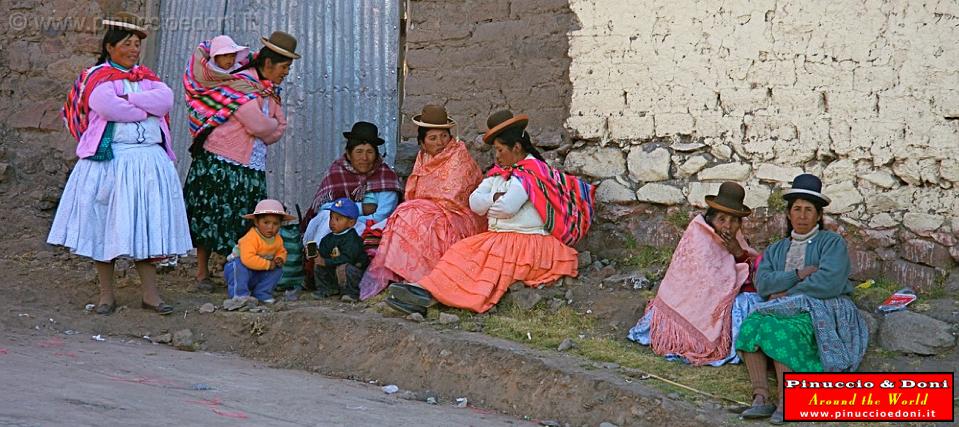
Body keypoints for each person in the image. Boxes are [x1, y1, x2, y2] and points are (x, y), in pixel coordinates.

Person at [48, 12, 192, 316]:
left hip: (148, 163)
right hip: (111, 162)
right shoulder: (97, 77)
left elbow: (164, 101)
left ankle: (151, 295)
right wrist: (141, 106)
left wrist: (127, 95)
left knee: (147, 226)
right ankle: (106, 295)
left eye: (137, 44)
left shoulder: (148, 78)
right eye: (127, 44)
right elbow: (106, 106)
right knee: (104, 226)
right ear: (110, 47)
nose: (133, 50)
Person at [386, 110, 595, 315]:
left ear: (516, 147)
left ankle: (429, 297)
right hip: (502, 238)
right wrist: (496, 198)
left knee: (485, 268)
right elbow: (474, 203)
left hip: (528, 243)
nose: (497, 156)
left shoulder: (532, 173)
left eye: (500, 150)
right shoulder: (501, 174)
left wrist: (491, 202)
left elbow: (507, 208)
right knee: (461, 251)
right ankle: (424, 292)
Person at [735, 174, 868, 424]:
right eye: (797, 209)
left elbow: (829, 282)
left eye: (809, 210)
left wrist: (787, 292)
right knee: (752, 323)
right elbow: (764, 283)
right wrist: (798, 274)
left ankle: (788, 402)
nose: (802, 215)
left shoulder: (831, 243)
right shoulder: (776, 249)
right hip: (780, 306)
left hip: (823, 306)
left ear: (819, 215)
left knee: (781, 327)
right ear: (788, 214)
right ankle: (760, 397)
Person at [182, 31, 299, 293]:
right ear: (268, 64)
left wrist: (267, 126)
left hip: (247, 166)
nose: (285, 73)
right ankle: (202, 273)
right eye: (284, 67)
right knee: (210, 218)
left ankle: (233, 272)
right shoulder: (243, 84)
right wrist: (268, 125)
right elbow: (261, 125)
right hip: (221, 162)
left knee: (240, 222)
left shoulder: (268, 91)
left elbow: (277, 130)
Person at [358, 105, 486, 300]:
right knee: (405, 214)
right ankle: (406, 279)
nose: (440, 142)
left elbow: (454, 196)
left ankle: (425, 283)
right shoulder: (423, 157)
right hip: (426, 212)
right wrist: (421, 207)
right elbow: (415, 194)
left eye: (444, 136)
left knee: (420, 218)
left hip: (458, 217)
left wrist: (423, 207)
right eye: (433, 138)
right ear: (422, 143)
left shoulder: (459, 156)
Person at [627, 182, 762, 366]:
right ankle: (687, 338)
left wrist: (737, 253)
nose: (727, 226)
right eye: (722, 219)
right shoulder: (698, 235)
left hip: (723, 301)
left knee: (747, 303)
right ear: (711, 218)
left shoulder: (738, 241)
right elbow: (695, 276)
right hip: (689, 302)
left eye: (733, 221)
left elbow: (750, 276)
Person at [301, 121, 402, 288]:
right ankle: (315, 269)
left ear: (376, 155)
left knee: (346, 229)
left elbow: (381, 214)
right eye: (359, 151)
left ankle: (339, 275)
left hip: (368, 225)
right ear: (348, 153)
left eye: (370, 152)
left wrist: (350, 218)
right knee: (327, 219)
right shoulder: (337, 172)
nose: (364, 157)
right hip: (339, 223)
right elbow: (323, 206)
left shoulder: (385, 177)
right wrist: (358, 208)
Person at [224, 199, 293, 304]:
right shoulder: (251, 237)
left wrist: (280, 258)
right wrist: (268, 264)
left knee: (278, 270)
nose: (270, 227)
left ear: (280, 224)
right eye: (266, 223)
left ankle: (262, 293)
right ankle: (239, 295)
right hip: (240, 269)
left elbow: (281, 251)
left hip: (259, 270)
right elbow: (247, 259)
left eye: (275, 223)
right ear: (256, 222)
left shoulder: (278, 239)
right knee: (238, 266)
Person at [309, 198, 370, 301]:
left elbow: (348, 259)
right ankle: (327, 289)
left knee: (345, 268)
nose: (332, 222)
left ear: (351, 222)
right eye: (331, 218)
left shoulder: (352, 239)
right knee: (319, 264)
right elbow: (324, 256)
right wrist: (316, 255)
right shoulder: (327, 239)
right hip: (335, 271)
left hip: (352, 273)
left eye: (337, 219)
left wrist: (326, 262)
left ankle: (351, 293)